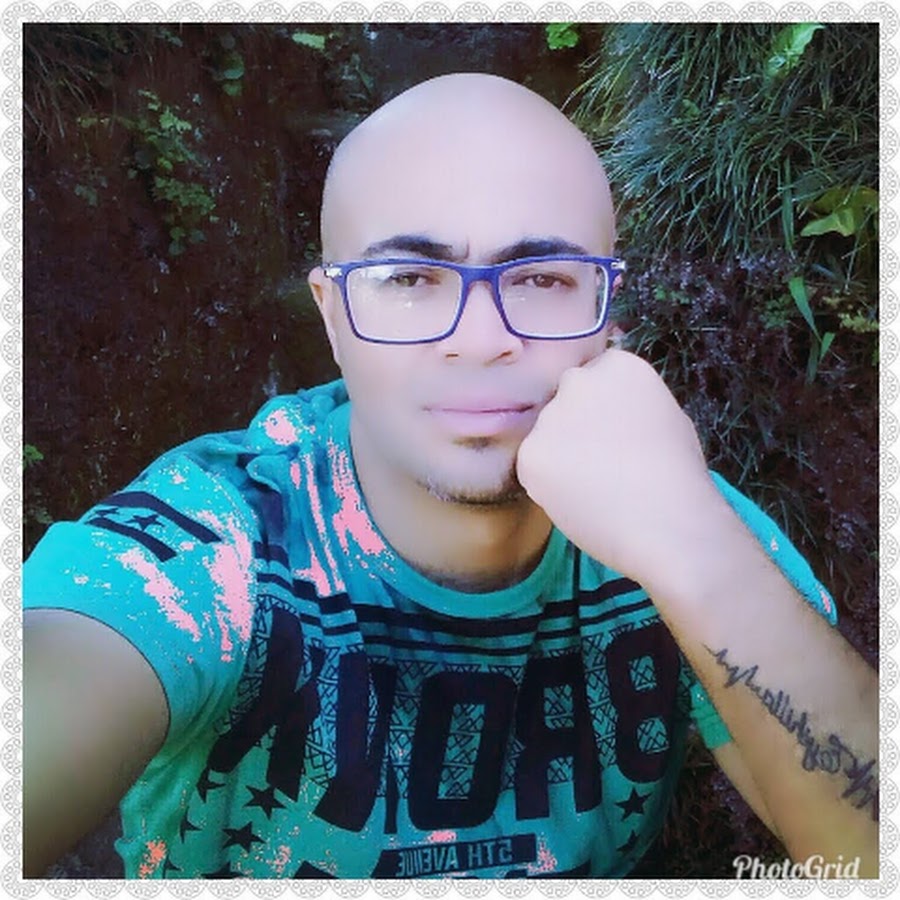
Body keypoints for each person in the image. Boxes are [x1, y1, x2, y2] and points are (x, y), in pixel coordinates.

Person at [23, 72, 878, 880]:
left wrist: (694, 550)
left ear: (606, 313)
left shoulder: (674, 518)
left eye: (542, 278)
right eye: (409, 278)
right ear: (331, 316)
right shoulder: (210, 552)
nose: (480, 339)